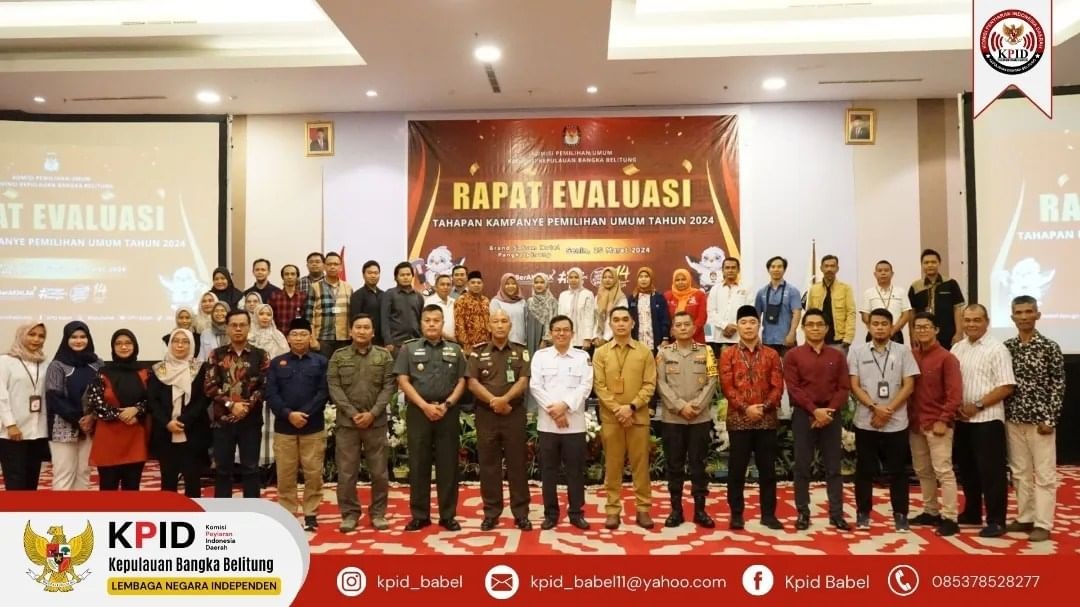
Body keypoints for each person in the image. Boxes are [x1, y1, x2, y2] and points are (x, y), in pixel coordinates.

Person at [395, 305, 467, 531]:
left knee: (448, 465)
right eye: (427, 320)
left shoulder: (455, 350)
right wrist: (424, 405)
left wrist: (447, 404)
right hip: (419, 411)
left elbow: (462, 380)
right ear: (421, 323)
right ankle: (420, 515)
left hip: (447, 411)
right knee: (418, 464)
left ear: (442, 323)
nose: (432, 324)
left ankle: (448, 516)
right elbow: (403, 380)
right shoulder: (408, 348)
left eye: (436, 320)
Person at [847, 308, 918, 531]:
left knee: (898, 471)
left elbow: (909, 385)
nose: (879, 328)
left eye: (884, 324)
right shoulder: (857, 352)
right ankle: (863, 513)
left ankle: (900, 514)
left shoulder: (904, 351)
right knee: (864, 469)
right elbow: (854, 385)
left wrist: (888, 410)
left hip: (896, 421)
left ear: (891, 327)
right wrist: (874, 408)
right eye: (875, 324)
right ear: (868, 327)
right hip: (866, 420)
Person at [1003, 295, 1065, 542]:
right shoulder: (1007, 347)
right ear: (1012, 317)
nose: (1024, 317)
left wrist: (1050, 418)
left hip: (1041, 423)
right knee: (1019, 472)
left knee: (1045, 474)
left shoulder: (1050, 347)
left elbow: (1058, 384)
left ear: (1037, 315)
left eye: (1029, 312)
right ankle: (1026, 517)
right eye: (1019, 313)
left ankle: (1043, 523)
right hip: (1013, 419)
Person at [951, 304, 1015, 537]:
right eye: (967, 320)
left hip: (987, 419)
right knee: (967, 469)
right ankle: (972, 512)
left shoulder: (997, 349)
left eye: (977, 320)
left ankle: (996, 520)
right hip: (962, 419)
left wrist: (977, 405)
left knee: (992, 473)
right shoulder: (958, 348)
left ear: (987, 321)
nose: (971, 324)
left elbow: (1006, 386)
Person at [784, 309, 850, 531]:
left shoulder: (837, 356)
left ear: (827, 328)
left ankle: (836, 514)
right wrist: (814, 411)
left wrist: (827, 412)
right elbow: (793, 388)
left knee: (833, 467)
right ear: (803, 328)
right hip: (804, 415)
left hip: (831, 416)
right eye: (810, 324)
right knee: (802, 466)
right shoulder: (793, 355)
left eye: (819, 324)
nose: (815, 328)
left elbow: (843, 387)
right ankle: (803, 513)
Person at [720, 305, 785, 531]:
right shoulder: (728, 354)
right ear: (737, 326)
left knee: (768, 470)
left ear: (759, 325)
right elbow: (727, 387)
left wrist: (763, 408)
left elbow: (778, 386)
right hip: (739, 421)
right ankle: (737, 514)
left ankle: (768, 514)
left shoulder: (772, 354)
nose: (748, 327)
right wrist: (746, 408)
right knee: (736, 470)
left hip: (766, 421)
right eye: (744, 322)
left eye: (752, 322)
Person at [466, 310, 532, 530]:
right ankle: (491, 513)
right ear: (489, 326)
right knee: (489, 465)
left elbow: (523, 381)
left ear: (510, 325)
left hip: (514, 413)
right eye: (496, 321)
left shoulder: (521, 352)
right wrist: (494, 401)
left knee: (517, 464)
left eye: (504, 321)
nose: (500, 325)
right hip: (486, 415)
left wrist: (505, 400)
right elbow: (472, 383)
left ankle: (521, 513)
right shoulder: (478, 352)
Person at [329, 314, 395, 532]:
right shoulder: (338, 356)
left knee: (379, 473)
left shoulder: (384, 356)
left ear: (373, 332)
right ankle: (349, 514)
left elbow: (389, 386)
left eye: (367, 327)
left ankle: (378, 514)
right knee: (347, 473)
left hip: (375, 424)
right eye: (358, 327)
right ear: (351, 331)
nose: (362, 331)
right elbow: (334, 387)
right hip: (347, 425)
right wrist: (352, 413)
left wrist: (373, 414)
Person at [593, 306, 657, 529]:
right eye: (616, 320)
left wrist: (631, 407)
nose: (620, 323)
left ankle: (643, 509)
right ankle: (612, 510)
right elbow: (599, 386)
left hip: (638, 417)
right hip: (612, 419)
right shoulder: (601, 353)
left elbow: (650, 385)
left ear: (632, 323)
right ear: (610, 324)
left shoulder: (644, 352)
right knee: (613, 466)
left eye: (625, 320)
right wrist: (618, 410)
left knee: (641, 466)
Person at [529, 315, 593, 530]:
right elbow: (535, 386)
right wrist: (556, 413)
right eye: (557, 330)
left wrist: (564, 406)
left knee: (575, 471)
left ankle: (576, 513)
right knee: (548, 471)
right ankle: (550, 514)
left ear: (572, 333)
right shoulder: (540, 356)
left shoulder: (582, 357)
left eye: (566, 330)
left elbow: (585, 386)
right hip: (548, 425)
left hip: (574, 425)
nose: (561, 333)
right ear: (550, 333)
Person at [266, 318, 329, 531]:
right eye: (295, 334)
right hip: (285, 428)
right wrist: (289, 414)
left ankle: (311, 514)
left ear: (310, 337)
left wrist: (305, 414)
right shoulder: (277, 363)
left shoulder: (321, 362)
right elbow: (271, 393)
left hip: (313, 426)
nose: (299, 338)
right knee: (285, 474)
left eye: (303, 334)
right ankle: (288, 514)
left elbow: (323, 392)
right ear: (288, 338)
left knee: (313, 473)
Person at [656, 311, 717, 528]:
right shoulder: (664, 353)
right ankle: (676, 510)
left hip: (700, 419)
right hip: (673, 419)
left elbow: (712, 380)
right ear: (672, 330)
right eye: (678, 325)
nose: (682, 328)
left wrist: (697, 406)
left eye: (686, 324)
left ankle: (700, 510)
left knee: (699, 465)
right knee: (674, 466)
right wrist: (681, 406)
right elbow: (660, 383)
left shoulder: (706, 351)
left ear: (694, 328)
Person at [204, 309, 271, 498]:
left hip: (251, 421)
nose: (238, 329)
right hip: (222, 421)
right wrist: (231, 405)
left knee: (251, 468)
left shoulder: (261, 355)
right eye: (234, 325)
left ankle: (252, 511)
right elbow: (210, 386)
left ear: (249, 327)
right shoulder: (216, 355)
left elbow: (266, 385)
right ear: (227, 328)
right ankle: (223, 512)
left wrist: (246, 406)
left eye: (242, 325)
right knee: (223, 470)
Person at [908, 311, 961, 537]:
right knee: (923, 471)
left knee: (943, 471)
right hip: (916, 424)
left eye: (926, 327)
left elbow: (955, 394)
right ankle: (930, 511)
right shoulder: (911, 356)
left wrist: (944, 420)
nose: (922, 330)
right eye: (918, 327)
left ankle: (950, 517)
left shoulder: (947, 358)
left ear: (936, 330)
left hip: (938, 424)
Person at [86, 330, 150, 491]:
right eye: (118, 343)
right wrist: (120, 414)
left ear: (135, 346)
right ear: (113, 347)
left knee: (132, 489)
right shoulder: (102, 373)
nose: (123, 347)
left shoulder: (145, 372)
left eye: (128, 343)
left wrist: (136, 409)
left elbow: (153, 400)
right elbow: (95, 403)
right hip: (108, 438)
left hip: (134, 437)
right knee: (108, 489)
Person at [149, 329, 210, 497]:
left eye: (185, 341)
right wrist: (167, 422)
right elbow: (152, 401)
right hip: (165, 432)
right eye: (176, 341)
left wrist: (184, 420)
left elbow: (204, 398)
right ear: (170, 344)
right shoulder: (159, 370)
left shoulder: (200, 369)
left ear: (192, 345)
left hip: (193, 431)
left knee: (193, 480)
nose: (180, 345)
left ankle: (194, 512)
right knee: (168, 481)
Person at [44, 321, 101, 491]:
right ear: (66, 339)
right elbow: (54, 397)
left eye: (83, 337)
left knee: (84, 472)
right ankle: (62, 509)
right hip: (63, 427)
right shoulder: (57, 365)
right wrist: (78, 420)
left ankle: (79, 508)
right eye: (74, 337)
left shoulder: (97, 363)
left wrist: (91, 418)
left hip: (90, 426)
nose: (78, 340)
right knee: (64, 474)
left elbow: (103, 394)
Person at [0, 323, 50, 490]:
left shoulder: (44, 362)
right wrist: (10, 424)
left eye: (41, 336)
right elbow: (1, 396)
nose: (36, 339)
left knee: (32, 479)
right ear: (21, 335)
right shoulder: (5, 361)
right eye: (31, 334)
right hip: (13, 431)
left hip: (38, 430)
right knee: (15, 479)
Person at [908, 248, 965, 348]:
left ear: (939, 263)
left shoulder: (951, 283)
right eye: (926, 262)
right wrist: (913, 335)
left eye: (933, 262)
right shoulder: (915, 287)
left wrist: (959, 332)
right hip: (923, 335)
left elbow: (957, 309)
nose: (930, 265)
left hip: (948, 335)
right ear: (922, 265)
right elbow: (912, 313)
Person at [304, 251, 353, 356]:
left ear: (340, 267)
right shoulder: (315, 287)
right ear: (324, 266)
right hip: (322, 338)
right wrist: (312, 339)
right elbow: (309, 316)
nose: (332, 267)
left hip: (344, 339)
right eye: (329, 264)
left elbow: (352, 314)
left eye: (336, 264)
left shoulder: (348, 287)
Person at [804, 255, 857, 352]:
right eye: (826, 266)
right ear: (821, 268)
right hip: (817, 341)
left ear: (837, 268)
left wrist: (848, 338)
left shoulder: (845, 289)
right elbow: (809, 314)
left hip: (839, 342)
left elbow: (851, 313)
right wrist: (808, 337)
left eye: (832, 266)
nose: (829, 269)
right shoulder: (814, 289)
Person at [755, 256, 802, 356]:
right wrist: (755, 335)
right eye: (773, 267)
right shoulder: (761, 292)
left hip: (787, 339)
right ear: (768, 270)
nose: (776, 269)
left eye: (779, 267)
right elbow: (756, 316)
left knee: (788, 365)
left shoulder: (792, 291)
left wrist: (792, 333)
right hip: (767, 339)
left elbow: (797, 313)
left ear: (784, 269)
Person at [706, 257, 752, 358]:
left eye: (733, 267)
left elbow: (748, 311)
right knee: (720, 365)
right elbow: (711, 311)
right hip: (718, 337)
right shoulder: (715, 289)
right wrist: (725, 326)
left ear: (738, 270)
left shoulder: (746, 289)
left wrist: (735, 326)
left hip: (739, 337)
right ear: (722, 270)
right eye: (727, 268)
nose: (730, 270)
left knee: (740, 365)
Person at [859, 260, 911, 344]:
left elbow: (906, 314)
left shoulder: (901, 292)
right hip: (874, 334)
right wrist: (875, 329)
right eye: (880, 271)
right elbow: (865, 316)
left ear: (892, 274)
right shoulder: (868, 292)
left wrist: (893, 330)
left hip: (895, 334)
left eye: (886, 270)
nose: (883, 273)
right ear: (875, 274)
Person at [381, 262, 425, 354]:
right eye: (402, 275)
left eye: (408, 274)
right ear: (396, 277)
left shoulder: (418, 296)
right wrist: (388, 341)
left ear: (412, 276)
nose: (405, 277)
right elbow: (384, 320)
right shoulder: (389, 294)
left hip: (416, 342)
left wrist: (422, 339)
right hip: (396, 344)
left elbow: (421, 319)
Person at [627, 266, 670, 354]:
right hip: (636, 342)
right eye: (641, 277)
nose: (643, 279)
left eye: (646, 276)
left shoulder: (658, 297)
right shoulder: (632, 298)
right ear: (637, 279)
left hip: (656, 342)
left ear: (651, 279)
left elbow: (665, 319)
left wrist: (665, 338)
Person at [557, 267, 596, 350]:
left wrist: (587, 338)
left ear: (581, 278)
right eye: (571, 277)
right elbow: (560, 318)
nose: (573, 280)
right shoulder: (563, 295)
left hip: (582, 338)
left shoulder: (587, 294)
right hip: (566, 337)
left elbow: (589, 318)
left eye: (576, 277)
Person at [664, 269, 707, 344]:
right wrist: (673, 332)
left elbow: (701, 318)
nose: (680, 282)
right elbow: (664, 318)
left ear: (689, 279)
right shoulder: (667, 296)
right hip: (673, 339)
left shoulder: (699, 295)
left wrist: (689, 333)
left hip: (695, 338)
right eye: (677, 280)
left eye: (683, 279)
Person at [348, 260, 385, 345]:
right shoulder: (357, 295)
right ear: (363, 275)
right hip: (365, 338)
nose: (373, 276)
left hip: (382, 339)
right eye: (370, 273)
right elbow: (355, 319)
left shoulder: (384, 294)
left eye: (376, 273)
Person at [454, 270, 491, 354]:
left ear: (482, 284)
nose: (476, 285)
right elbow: (459, 326)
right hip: (470, 347)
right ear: (467, 284)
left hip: (486, 345)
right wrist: (466, 345)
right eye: (473, 282)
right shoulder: (461, 300)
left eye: (479, 283)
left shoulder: (486, 300)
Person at [525, 272, 560, 355]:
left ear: (546, 284)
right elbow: (526, 322)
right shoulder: (529, 302)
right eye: (536, 282)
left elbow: (554, 323)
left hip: (547, 339)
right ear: (533, 285)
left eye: (542, 282)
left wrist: (546, 339)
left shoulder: (552, 301)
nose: (539, 285)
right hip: (531, 337)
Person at [490, 273, 528, 346]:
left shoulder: (522, 301)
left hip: (521, 343)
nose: (510, 286)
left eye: (513, 284)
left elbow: (526, 323)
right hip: (504, 344)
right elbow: (495, 324)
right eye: (507, 284)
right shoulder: (496, 302)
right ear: (502, 285)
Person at [594, 267, 628, 345]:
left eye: (610, 277)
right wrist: (595, 337)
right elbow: (595, 319)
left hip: (615, 339)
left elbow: (620, 320)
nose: (607, 280)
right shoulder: (597, 297)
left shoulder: (621, 298)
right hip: (598, 340)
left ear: (615, 279)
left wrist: (606, 338)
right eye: (605, 277)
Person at [268, 264, 305, 334]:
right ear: (282, 277)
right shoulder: (274, 296)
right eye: (286, 274)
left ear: (297, 277)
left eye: (293, 274)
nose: (289, 277)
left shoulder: (303, 297)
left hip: (297, 336)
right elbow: (270, 318)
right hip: (278, 336)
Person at [425, 275, 457, 342]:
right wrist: (450, 338)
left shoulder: (454, 302)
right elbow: (431, 325)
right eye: (442, 284)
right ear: (436, 287)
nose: (446, 287)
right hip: (437, 342)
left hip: (454, 343)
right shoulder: (430, 302)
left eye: (448, 285)